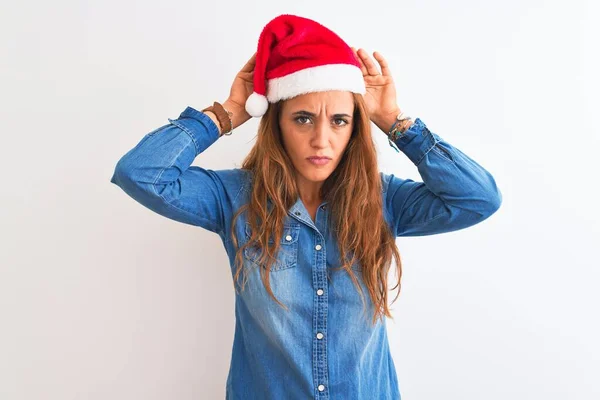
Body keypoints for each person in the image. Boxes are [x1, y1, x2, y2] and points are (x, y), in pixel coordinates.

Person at [110, 13, 502, 400]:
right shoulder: (233, 199)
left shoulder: (384, 200)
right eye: (303, 119)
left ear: (354, 129)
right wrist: (229, 111)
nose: (321, 140)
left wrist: (393, 120)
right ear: (276, 122)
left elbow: (478, 198)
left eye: (339, 121)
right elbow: (141, 173)